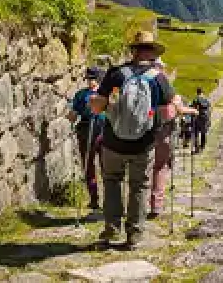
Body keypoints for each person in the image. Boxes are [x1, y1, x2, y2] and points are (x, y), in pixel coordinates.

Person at [90, 31, 175, 248]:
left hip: (113, 141)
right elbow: (169, 111)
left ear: (133, 51)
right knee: (139, 186)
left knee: (112, 182)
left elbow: (99, 104)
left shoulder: (115, 74)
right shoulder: (159, 79)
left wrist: (100, 105)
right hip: (144, 143)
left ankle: (111, 228)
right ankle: (134, 234)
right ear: (153, 53)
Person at [148, 59, 197, 219]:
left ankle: (136, 204)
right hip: (162, 129)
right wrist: (193, 111)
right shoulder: (163, 83)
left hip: (139, 129)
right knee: (160, 166)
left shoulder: (136, 78)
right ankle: (156, 205)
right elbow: (179, 109)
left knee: (141, 166)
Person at [67, 67, 105, 210]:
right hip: (85, 129)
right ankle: (93, 198)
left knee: (106, 166)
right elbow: (74, 112)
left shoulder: (105, 93)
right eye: (88, 79)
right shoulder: (81, 94)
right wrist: (71, 114)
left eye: (93, 79)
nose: (90, 82)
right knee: (88, 165)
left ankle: (110, 199)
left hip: (103, 130)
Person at [191, 87, 212, 154]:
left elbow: (194, 109)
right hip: (205, 118)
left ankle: (197, 148)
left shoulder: (196, 99)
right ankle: (202, 148)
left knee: (196, 133)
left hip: (198, 118)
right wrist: (209, 119)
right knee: (203, 133)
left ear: (197, 92)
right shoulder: (206, 99)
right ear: (202, 92)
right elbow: (209, 109)